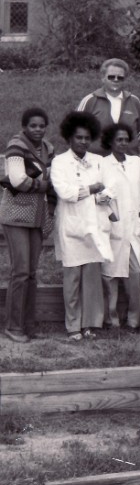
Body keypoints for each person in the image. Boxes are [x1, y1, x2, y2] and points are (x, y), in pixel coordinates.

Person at [50, 111, 111, 340]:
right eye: (78, 137)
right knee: (73, 279)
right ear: (69, 138)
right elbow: (65, 193)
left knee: (92, 279)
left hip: (94, 225)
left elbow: (107, 189)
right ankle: (73, 325)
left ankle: (91, 324)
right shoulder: (59, 162)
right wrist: (91, 190)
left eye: (87, 138)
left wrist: (103, 195)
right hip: (72, 227)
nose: (83, 141)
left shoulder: (98, 161)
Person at [2, 107, 55, 343]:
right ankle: (13, 326)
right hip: (15, 216)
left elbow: (54, 177)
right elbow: (17, 179)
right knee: (20, 272)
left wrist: (50, 203)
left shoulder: (48, 148)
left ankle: (29, 324)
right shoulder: (16, 146)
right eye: (33, 125)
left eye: (41, 125)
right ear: (25, 126)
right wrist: (43, 186)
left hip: (37, 216)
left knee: (32, 273)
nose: (37, 129)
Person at [99, 122, 140, 332]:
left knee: (135, 274)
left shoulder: (137, 162)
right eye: (118, 140)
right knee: (110, 275)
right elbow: (100, 196)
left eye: (125, 140)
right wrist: (113, 217)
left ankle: (133, 321)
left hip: (133, 229)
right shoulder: (102, 164)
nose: (122, 143)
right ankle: (111, 321)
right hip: (112, 227)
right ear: (110, 141)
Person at [78, 58, 140, 155]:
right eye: (111, 77)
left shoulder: (134, 101)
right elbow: (76, 131)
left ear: (125, 79)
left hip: (127, 160)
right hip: (97, 161)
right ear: (103, 78)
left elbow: (139, 132)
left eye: (120, 77)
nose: (115, 79)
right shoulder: (90, 100)